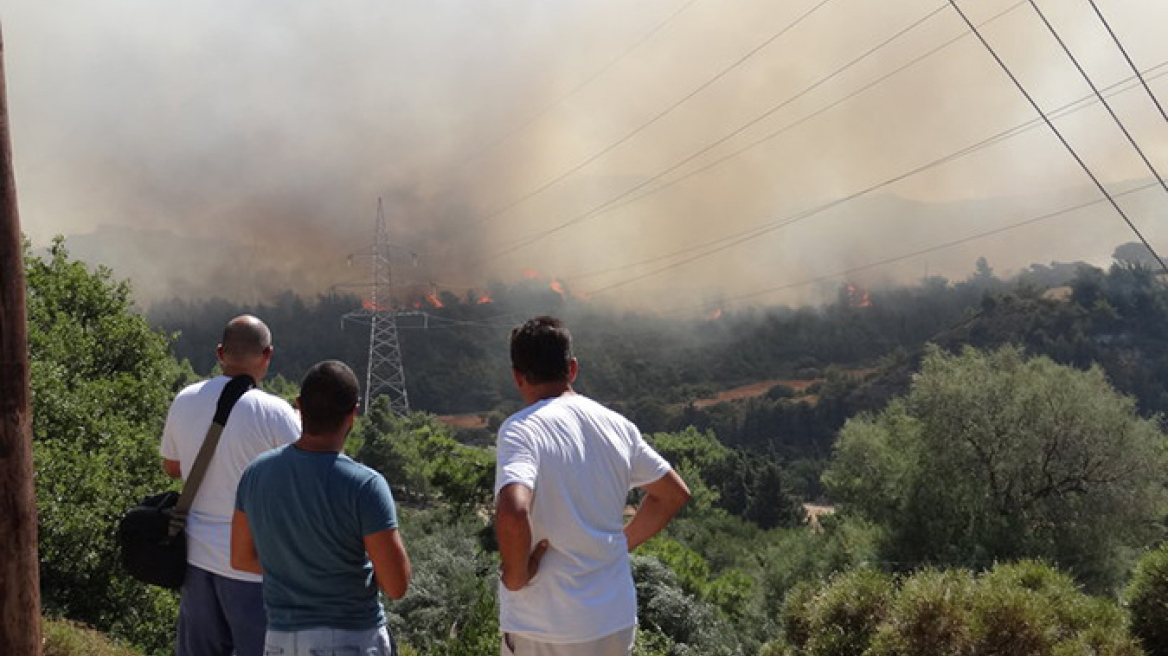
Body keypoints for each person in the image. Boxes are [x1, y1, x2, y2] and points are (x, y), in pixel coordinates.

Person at [494, 316, 691, 656]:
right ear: (572, 369)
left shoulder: (521, 431)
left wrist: (515, 576)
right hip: (613, 619)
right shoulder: (618, 426)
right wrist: (620, 544)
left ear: (517, 376)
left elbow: (512, 510)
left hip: (544, 622)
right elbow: (673, 494)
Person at [231, 360, 411, 656]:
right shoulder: (365, 485)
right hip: (352, 638)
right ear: (354, 413)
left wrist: (293, 569)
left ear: (298, 406)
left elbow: (240, 558)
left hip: (280, 640)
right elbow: (396, 586)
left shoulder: (256, 473)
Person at [161, 314, 301, 656]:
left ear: (220, 352)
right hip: (253, 567)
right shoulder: (276, 412)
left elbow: (172, 467)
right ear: (268, 355)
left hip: (195, 561)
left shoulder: (185, 398)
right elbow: (303, 478)